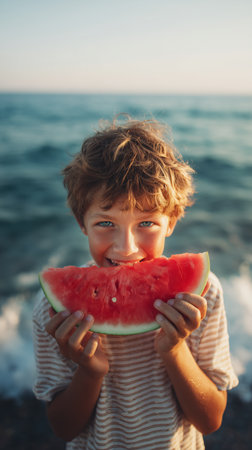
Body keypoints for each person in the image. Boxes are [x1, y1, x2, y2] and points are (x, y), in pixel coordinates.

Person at [33, 118, 238, 449]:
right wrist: (89, 371)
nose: (126, 247)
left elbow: (210, 419)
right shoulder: (57, 311)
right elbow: (63, 428)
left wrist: (174, 349)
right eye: (105, 223)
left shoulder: (202, 294)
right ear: (80, 223)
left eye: (146, 222)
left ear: (171, 222)